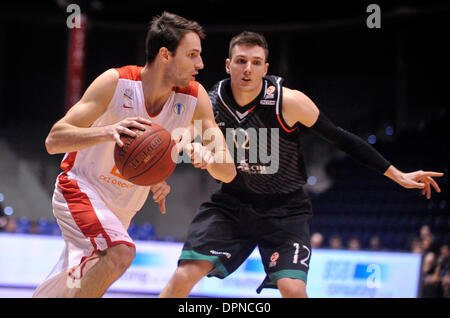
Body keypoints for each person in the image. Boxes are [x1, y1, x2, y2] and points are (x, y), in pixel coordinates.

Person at [159, 31, 443, 298]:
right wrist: (186, 149)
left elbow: (341, 138)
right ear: (228, 65)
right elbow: (180, 133)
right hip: (232, 204)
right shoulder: (210, 103)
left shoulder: (288, 102)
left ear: (265, 67)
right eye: (241, 61)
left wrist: (397, 174)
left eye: (256, 62)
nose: (248, 68)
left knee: (293, 289)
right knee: (183, 276)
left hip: (285, 209)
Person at [32, 12, 235, 298]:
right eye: (192, 55)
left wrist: (207, 156)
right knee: (120, 253)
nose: (200, 64)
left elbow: (228, 171)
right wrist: (108, 131)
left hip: (122, 209)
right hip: (80, 189)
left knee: (69, 287)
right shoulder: (116, 83)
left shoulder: (194, 98)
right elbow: (54, 140)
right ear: (165, 54)